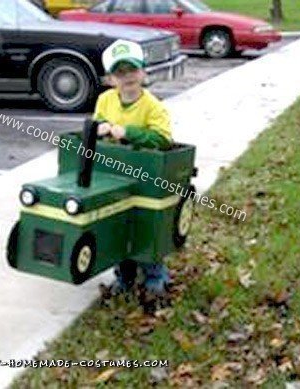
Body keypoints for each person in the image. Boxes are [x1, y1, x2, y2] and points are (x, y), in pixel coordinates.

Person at [93, 39, 173, 296]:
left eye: (132, 70)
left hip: (145, 174)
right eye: (120, 72)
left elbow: (162, 138)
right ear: (111, 79)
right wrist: (99, 128)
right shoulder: (106, 100)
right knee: (117, 223)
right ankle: (124, 275)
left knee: (144, 224)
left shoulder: (153, 105)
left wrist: (128, 132)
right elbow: (95, 126)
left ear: (143, 73)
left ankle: (154, 275)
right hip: (114, 173)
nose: (127, 77)